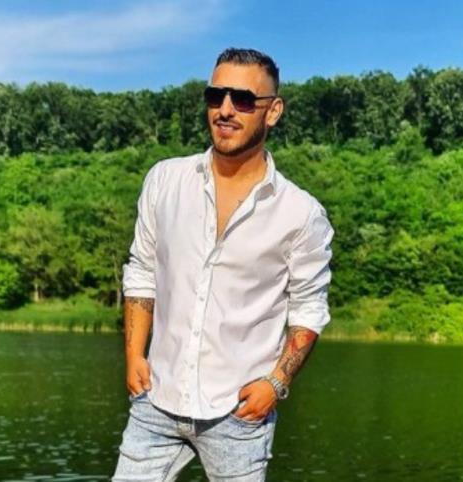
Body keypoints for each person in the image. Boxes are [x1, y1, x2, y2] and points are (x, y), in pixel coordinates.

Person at [112, 47, 335, 481]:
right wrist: (134, 354)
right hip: (156, 399)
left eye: (243, 99)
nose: (226, 110)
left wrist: (276, 384)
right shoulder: (165, 180)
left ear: (273, 112)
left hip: (239, 413)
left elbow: (308, 310)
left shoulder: (300, 213)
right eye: (216, 96)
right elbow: (142, 270)